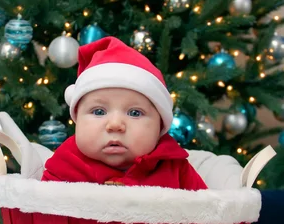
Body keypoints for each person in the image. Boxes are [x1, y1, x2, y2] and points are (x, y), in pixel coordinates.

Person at [42, 36, 207, 189]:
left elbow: (209, 214)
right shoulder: (64, 164)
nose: (115, 125)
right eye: (99, 111)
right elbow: (40, 212)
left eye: (135, 113)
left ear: (160, 126)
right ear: (77, 119)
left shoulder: (175, 168)